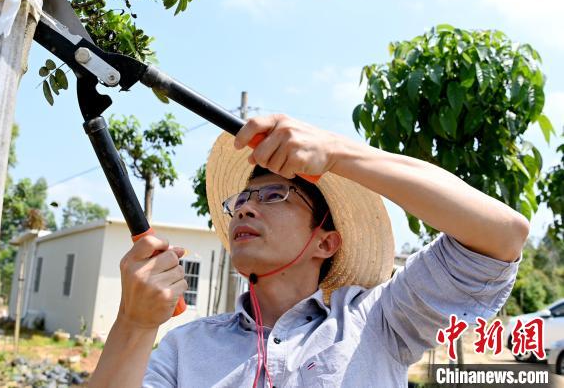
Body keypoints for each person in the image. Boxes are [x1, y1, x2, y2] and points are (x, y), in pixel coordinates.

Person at [88, 114, 528, 388]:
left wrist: (337, 154)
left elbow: (502, 234)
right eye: (240, 201)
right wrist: (134, 323)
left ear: (326, 241)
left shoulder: (377, 322)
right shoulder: (185, 347)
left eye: (272, 196)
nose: (245, 210)